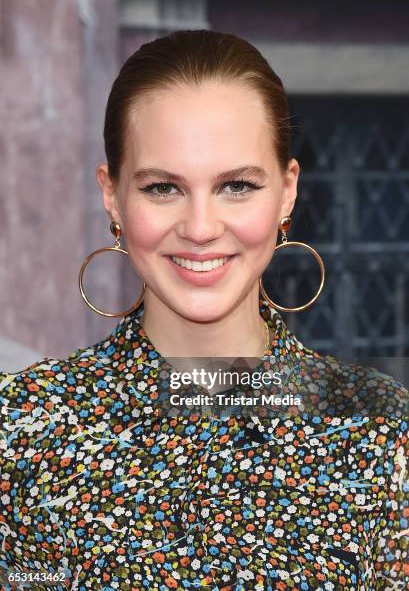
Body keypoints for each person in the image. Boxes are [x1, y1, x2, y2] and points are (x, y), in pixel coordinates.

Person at [0, 29, 408, 591]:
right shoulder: (21, 428)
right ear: (112, 194)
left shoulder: (382, 432)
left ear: (287, 193)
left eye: (236, 186)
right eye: (163, 188)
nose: (199, 229)